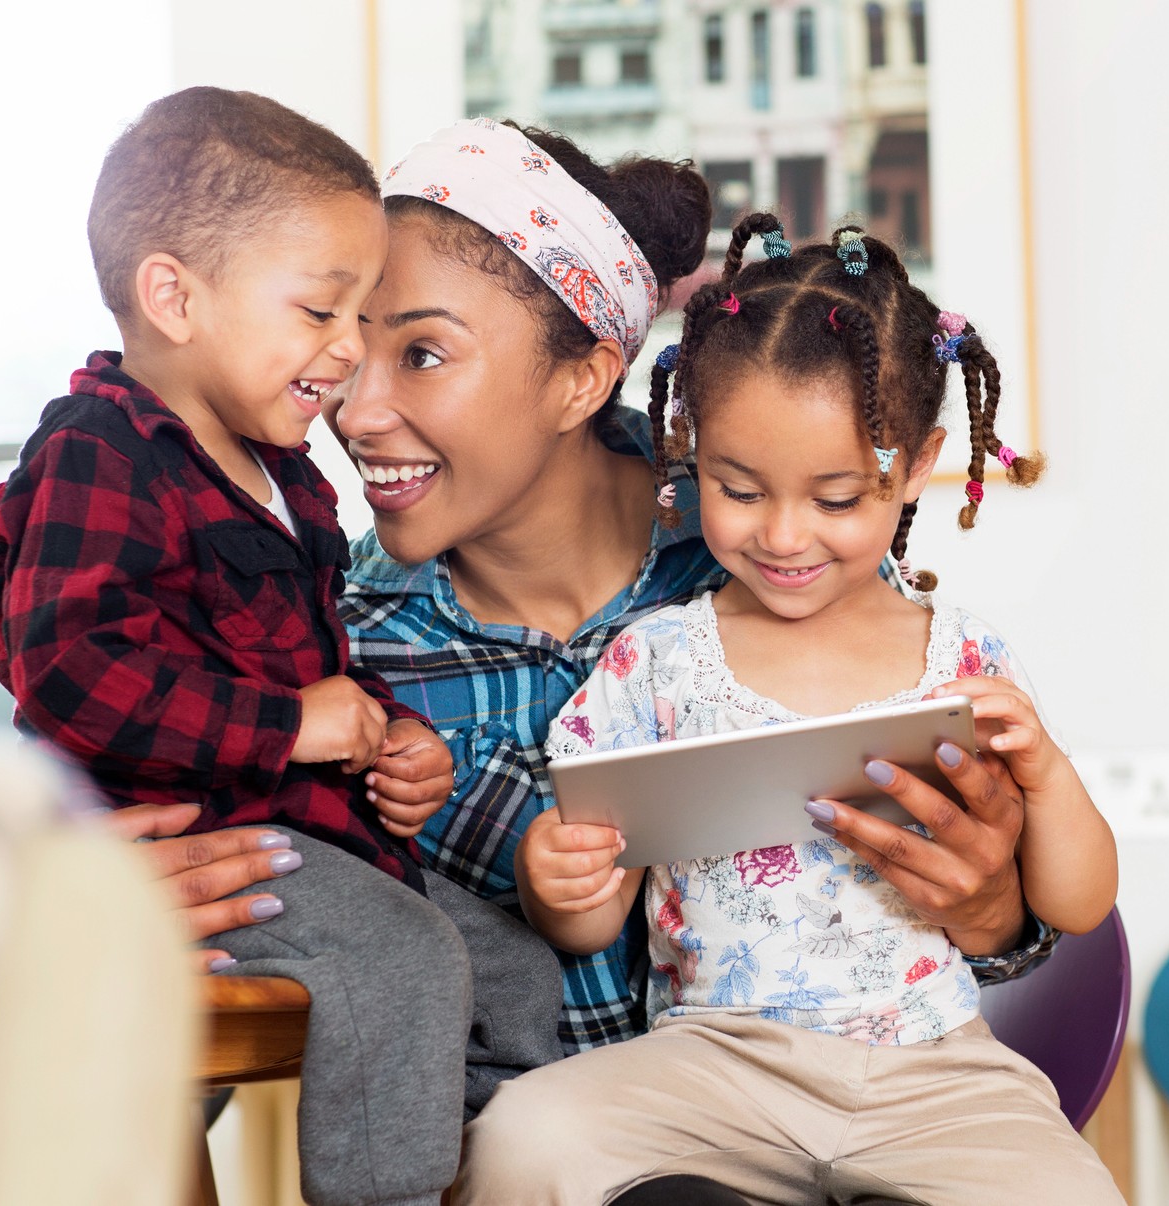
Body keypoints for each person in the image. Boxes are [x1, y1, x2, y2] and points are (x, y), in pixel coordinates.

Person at [332, 120, 1063, 1096]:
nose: (353, 410)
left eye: (423, 354)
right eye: (345, 345)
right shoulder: (333, 644)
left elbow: (943, 935)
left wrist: (993, 903)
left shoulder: (772, 554)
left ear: (583, 378)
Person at [446, 214, 1122, 1205]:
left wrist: (1051, 776)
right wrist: (559, 878)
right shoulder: (658, 663)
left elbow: (1077, 904)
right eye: (739, 487)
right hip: (717, 1063)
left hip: (936, 1069)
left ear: (917, 464)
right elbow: (593, 922)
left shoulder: (967, 662)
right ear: (691, 446)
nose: (784, 534)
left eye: (838, 498)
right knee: (520, 1144)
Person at [0, 88, 551, 1206]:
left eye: (366, 319)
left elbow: (309, 661)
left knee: (517, 965)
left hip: (319, 832)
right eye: (322, 313)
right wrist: (290, 726)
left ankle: (486, 1177)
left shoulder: (282, 476)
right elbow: (72, 673)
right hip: (207, 841)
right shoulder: (99, 455)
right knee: (404, 963)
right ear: (175, 298)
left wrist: (389, 736)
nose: (348, 356)